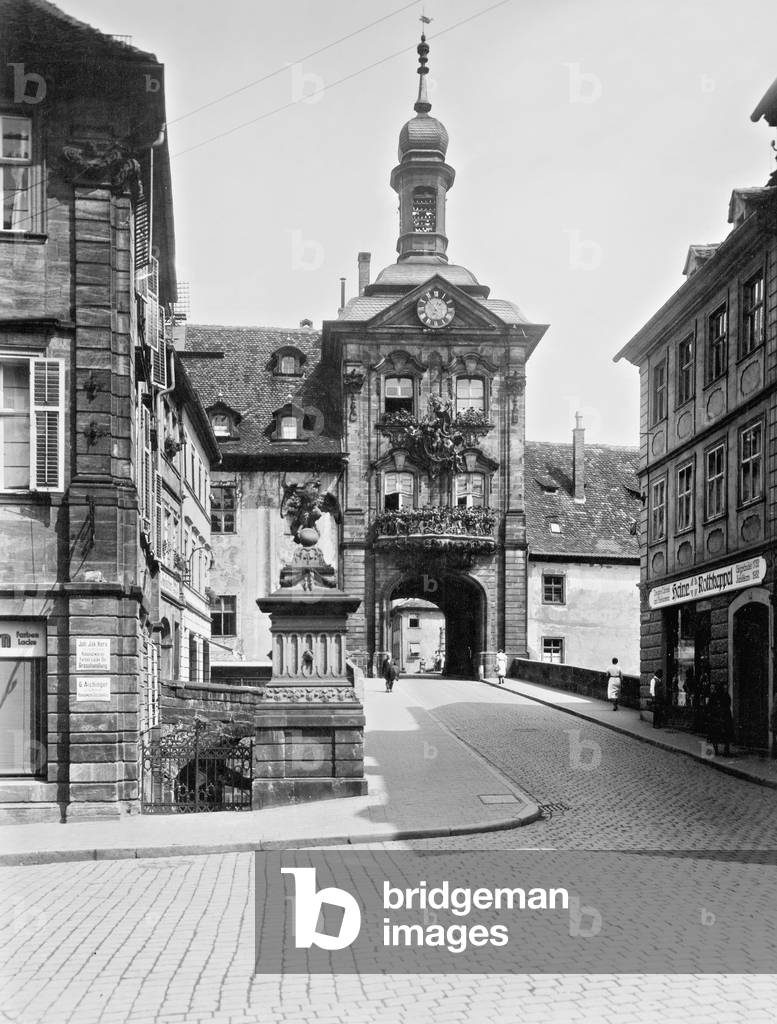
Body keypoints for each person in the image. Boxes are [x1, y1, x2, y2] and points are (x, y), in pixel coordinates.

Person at [707, 681, 734, 757]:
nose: (725, 688)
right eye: (724, 687)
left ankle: (726, 750)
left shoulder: (725, 696)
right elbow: (710, 706)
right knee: (716, 735)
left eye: (726, 687)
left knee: (726, 734)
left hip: (724, 717)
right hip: (717, 718)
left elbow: (727, 705)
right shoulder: (715, 696)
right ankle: (716, 750)